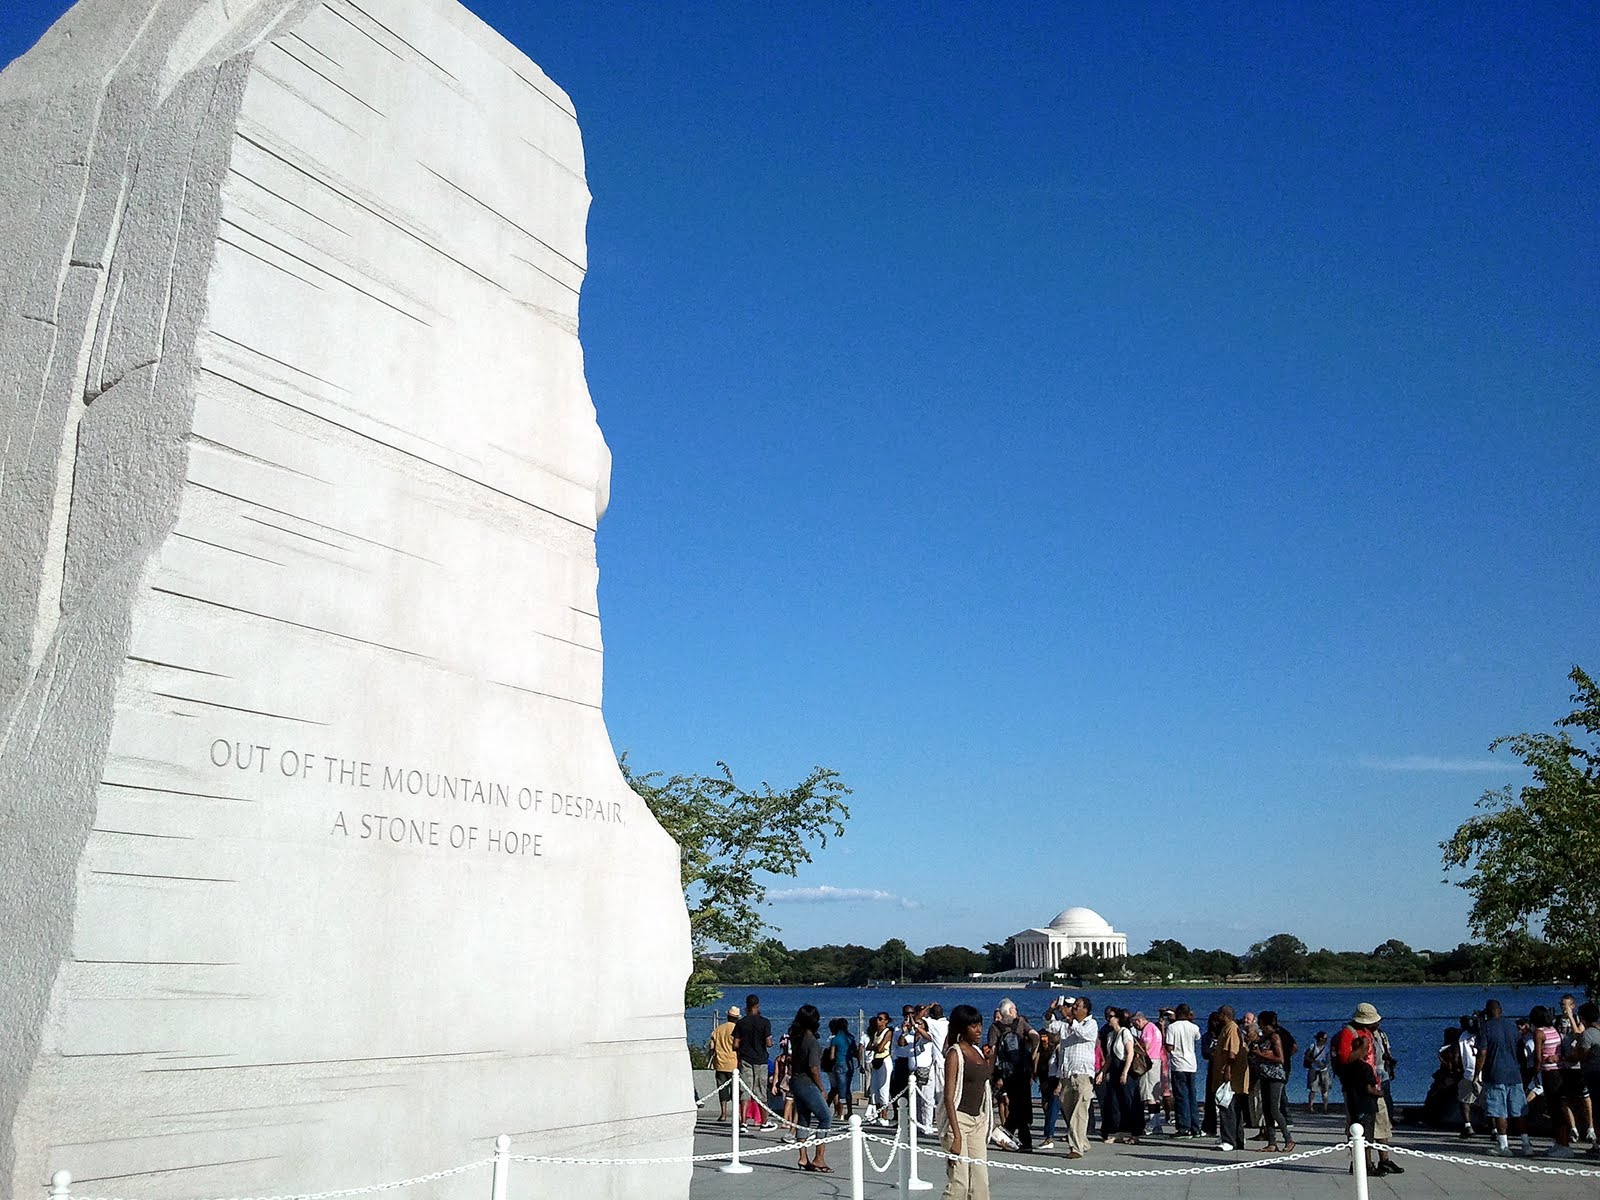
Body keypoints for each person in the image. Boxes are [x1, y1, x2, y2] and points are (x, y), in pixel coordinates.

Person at [1333, 1003, 1403, 1174]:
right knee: (1361, 1126)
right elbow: (1344, 1060)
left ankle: (1383, 1159)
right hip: (1357, 1088)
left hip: (1373, 1082)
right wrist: (1362, 1050)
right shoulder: (1348, 1034)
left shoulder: (1370, 1033)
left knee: (1380, 1122)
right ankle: (1364, 1163)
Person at [939, 1004, 993, 1200]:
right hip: (958, 1121)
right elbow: (948, 1097)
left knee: (980, 1183)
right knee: (959, 1183)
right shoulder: (955, 1054)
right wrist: (957, 1136)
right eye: (973, 1026)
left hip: (978, 1120)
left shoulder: (978, 1051)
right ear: (962, 1028)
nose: (979, 1030)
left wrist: (991, 1059)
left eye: (980, 1024)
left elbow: (985, 1080)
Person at [1474, 998, 1533, 1157]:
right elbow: (1521, 1052)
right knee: (1518, 1110)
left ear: (1487, 1012)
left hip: (1495, 1074)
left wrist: (1476, 1074)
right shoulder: (1513, 1027)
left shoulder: (1485, 1028)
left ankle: (1503, 1145)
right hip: (1514, 1073)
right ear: (1501, 1011)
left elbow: (1482, 1052)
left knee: (1499, 1110)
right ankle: (1526, 1143)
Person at [1338, 1033, 1395, 1176]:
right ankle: (1367, 1165)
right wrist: (1380, 1094)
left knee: (1357, 1134)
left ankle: (1359, 1163)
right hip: (1366, 1105)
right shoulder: (1365, 1068)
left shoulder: (1346, 1068)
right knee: (1367, 1137)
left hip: (1353, 1104)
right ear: (1363, 1050)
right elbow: (1369, 1088)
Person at [786, 1005, 833, 1172]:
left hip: (796, 1080)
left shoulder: (796, 1037)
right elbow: (814, 1067)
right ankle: (819, 1157)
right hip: (807, 1082)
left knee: (803, 1119)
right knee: (826, 1116)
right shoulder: (811, 1040)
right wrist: (822, 1087)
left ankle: (803, 1157)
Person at [987, 999, 1038, 1151]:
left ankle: (1006, 1135)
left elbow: (993, 1051)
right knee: (1019, 1106)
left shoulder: (995, 1027)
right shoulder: (1021, 1022)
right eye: (1014, 1008)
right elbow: (1035, 1036)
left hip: (1007, 1073)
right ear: (1010, 1011)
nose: (1016, 1011)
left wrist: (991, 1073)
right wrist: (1032, 1054)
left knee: (1016, 1106)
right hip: (1022, 1071)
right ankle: (1022, 1141)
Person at [1050, 995, 1097, 1159]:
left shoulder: (1091, 1024)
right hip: (1066, 1075)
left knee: (1079, 1112)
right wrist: (1052, 1009)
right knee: (1069, 1111)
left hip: (1083, 1074)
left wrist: (1071, 1021)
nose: (1074, 1008)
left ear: (1086, 1009)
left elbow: (1083, 1033)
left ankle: (1076, 1148)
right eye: (1073, 1006)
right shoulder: (1065, 1025)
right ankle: (1082, 1141)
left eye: (1078, 1006)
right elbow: (1049, 1026)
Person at [1209, 1005, 1250, 1152]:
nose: (1218, 1017)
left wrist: (1227, 1070)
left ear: (1224, 1015)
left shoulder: (1231, 1028)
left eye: (1219, 1014)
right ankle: (1238, 1139)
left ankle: (1228, 1140)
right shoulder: (1227, 1029)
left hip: (1230, 1076)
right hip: (1230, 1075)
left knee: (1226, 1107)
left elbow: (1231, 1053)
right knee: (1235, 1108)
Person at [1097, 1008, 1141, 1144]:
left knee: (1129, 1101)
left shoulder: (1125, 1032)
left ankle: (1135, 1133)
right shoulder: (1111, 1035)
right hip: (1114, 1070)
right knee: (1114, 1101)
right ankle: (1117, 1131)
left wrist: (1125, 1072)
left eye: (1111, 1016)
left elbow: (1130, 1053)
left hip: (1124, 1069)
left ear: (1117, 1018)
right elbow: (1109, 1057)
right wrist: (1102, 1072)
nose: (1108, 1019)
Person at [1251, 1011, 1294, 1151]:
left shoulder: (1275, 1037)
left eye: (1260, 1023)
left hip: (1275, 1076)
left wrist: (1261, 1055)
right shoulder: (1265, 1037)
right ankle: (1272, 1142)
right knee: (1267, 1110)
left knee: (1275, 1109)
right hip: (1264, 1075)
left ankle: (1289, 1139)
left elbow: (1280, 1058)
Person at [732, 994, 773, 1130]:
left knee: (745, 1090)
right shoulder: (765, 1022)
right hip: (761, 1060)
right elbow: (769, 1043)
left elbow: (735, 1044)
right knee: (761, 1091)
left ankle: (743, 1122)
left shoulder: (741, 1023)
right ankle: (764, 1122)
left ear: (746, 1006)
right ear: (758, 1006)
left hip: (745, 1059)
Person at [1165, 1003, 1202, 1137]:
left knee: (1181, 1097)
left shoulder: (1172, 1027)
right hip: (1191, 1064)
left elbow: (1169, 1047)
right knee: (1192, 1096)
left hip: (1178, 1064)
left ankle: (1183, 1127)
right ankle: (1195, 1126)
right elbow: (1197, 1037)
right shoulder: (1194, 1027)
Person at [1132, 1012, 1166, 1134]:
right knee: (1155, 1095)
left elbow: (1145, 1046)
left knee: (1149, 1094)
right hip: (1156, 1060)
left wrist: (1135, 1046)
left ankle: (1152, 1123)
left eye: (1134, 1023)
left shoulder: (1147, 1029)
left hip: (1148, 1062)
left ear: (1138, 1020)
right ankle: (1157, 1124)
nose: (1135, 1026)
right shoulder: (1154, 1028)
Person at [709, 1005, 740, 1121]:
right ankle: (737, 1114)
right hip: (734, 1063)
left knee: (722, 1089)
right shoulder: (737, 1029)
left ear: (727, 1016)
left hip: (720, 1062)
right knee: (736, 1090)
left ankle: (723, 1113)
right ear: (737, 1018)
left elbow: (711, 1046)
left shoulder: (719, 1029)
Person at [826, 1016, 858, 1118]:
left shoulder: (835, 1039)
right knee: (847, 1089)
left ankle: (835, 1110)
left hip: (839, 1064)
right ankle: (849, 1111)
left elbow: (831, 1056)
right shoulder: (851, 1037)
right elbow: (855, 1052)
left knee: (838, 1089)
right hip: (849, 1064)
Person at [1453, 1016, 1480, 1137]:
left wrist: (1457, 1069)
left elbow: (1456, 1056)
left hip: (1469, 1071)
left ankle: (1468, 1126)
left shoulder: (1462, 1037)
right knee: (1489, 1102)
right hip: (1484, 1072)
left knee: (1464, 1101)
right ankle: (1494, 1129)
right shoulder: (1484, 1035)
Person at [1035, 1026, 1060, 1149]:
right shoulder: (1045, 1051)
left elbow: (1061, 1068)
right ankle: (1049, 1135)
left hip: (1055, 1081)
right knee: (1048, 1107)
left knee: (1052, 1110)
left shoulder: (1059, 1049)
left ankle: (1049, 1137)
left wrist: (1059, 1084)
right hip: (1047, 1081)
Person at [867, 1011, 893, 1123]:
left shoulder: (888, 1032)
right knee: (874, 1088)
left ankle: (884, 1115)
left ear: (886, 1021)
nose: (878, 1021)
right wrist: (875, 1047)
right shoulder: (875, 1032)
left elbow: (881, 1047)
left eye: (881, 1019)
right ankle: (877, 1113)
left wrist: (875, 1047)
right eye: (878, 1018)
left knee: (884, 1088)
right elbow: (869, 1046)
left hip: (885, 1060)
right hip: (876, 1060)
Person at [1304, 1031, 1332, 1114]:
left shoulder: (1327, 1048)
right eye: (1325, 1038)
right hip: (1314, 1069)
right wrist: (1315, 1062)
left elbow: (1329, 1059)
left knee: (1325, 1090)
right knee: (1313, 1089)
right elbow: (1307, 1056)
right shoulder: (1313, 1046)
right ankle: (1310, 1107)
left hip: (1324, 1070)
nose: (1326, 1040)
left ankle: (1325, 1108)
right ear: (1320, 1038)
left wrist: (1326, 1066)